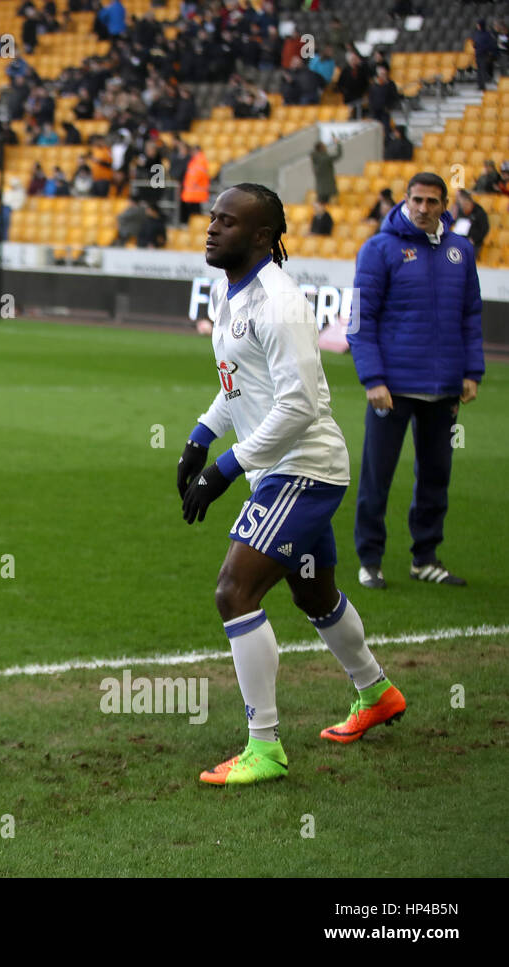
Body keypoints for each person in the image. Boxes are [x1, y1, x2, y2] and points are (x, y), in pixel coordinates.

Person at [177, 182, 405, 786]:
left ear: (259, 236)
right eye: (211, 217)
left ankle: (265, 747)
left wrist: (224, 469)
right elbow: (241, 386)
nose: (211, 227)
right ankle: (376, 693)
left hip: (301, 469)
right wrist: (202, 433)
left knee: (234, 591)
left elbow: (298, 405)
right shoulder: (235, 291)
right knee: (314, 594)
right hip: (279, 466)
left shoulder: (278, 301)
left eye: (226, 221)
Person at [349, 172, 483, 589]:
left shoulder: (461, 250)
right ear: (405, 201)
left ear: (446, 205)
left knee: (436, 476)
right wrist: (373, 379)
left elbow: (470, 316)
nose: (424, 209)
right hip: (392, 388)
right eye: (417, 201)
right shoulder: (378, 249)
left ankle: (425, 557)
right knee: (377, 476)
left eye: (432, 202)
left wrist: (471, 371)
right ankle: (370, 560)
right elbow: (360, 320)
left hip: (443, 387)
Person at [451, 188, 489, 256]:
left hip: (473, 242)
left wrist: (474, 239)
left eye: (465, 204)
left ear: (469, 202)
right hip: (460, 239)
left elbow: (484, 228)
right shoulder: (460, 211)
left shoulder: (479, 212)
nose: (463, 207)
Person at [310, 138, 342, 203]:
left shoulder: (315, 159)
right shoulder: (325, 158)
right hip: (328, 188)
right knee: (326, 207)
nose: (326, 148)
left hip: (320, 189)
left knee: (321, 205)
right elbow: (338, 155)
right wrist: (338, 144)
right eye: (324, 146)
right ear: (321, 148)